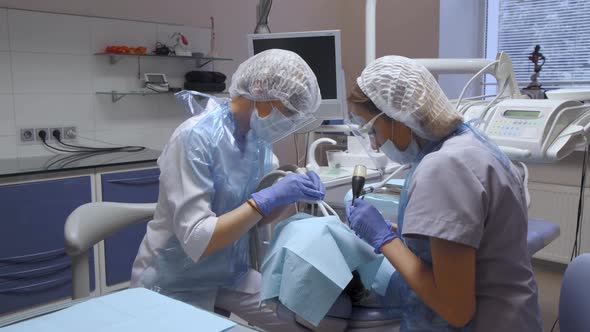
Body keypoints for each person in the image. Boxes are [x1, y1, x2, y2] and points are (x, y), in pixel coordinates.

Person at [130, 49, 325, 331]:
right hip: (174, 280)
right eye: (290, 110)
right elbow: (198, 240)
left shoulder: (257, 140)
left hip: (228, 274)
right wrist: (264, 200)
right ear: (259, 91)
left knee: (307, 322)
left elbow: (252, 220)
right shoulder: (195, 136)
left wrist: (285, 195)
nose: (291, 121)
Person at [345, 56, 542, 331]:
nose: (375, 144)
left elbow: (456, 310)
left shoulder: (444, 167)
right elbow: (469, 240)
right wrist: (403, 236)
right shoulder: (469, 142)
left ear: (399, 116)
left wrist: (385, 240)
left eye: (373, 130)